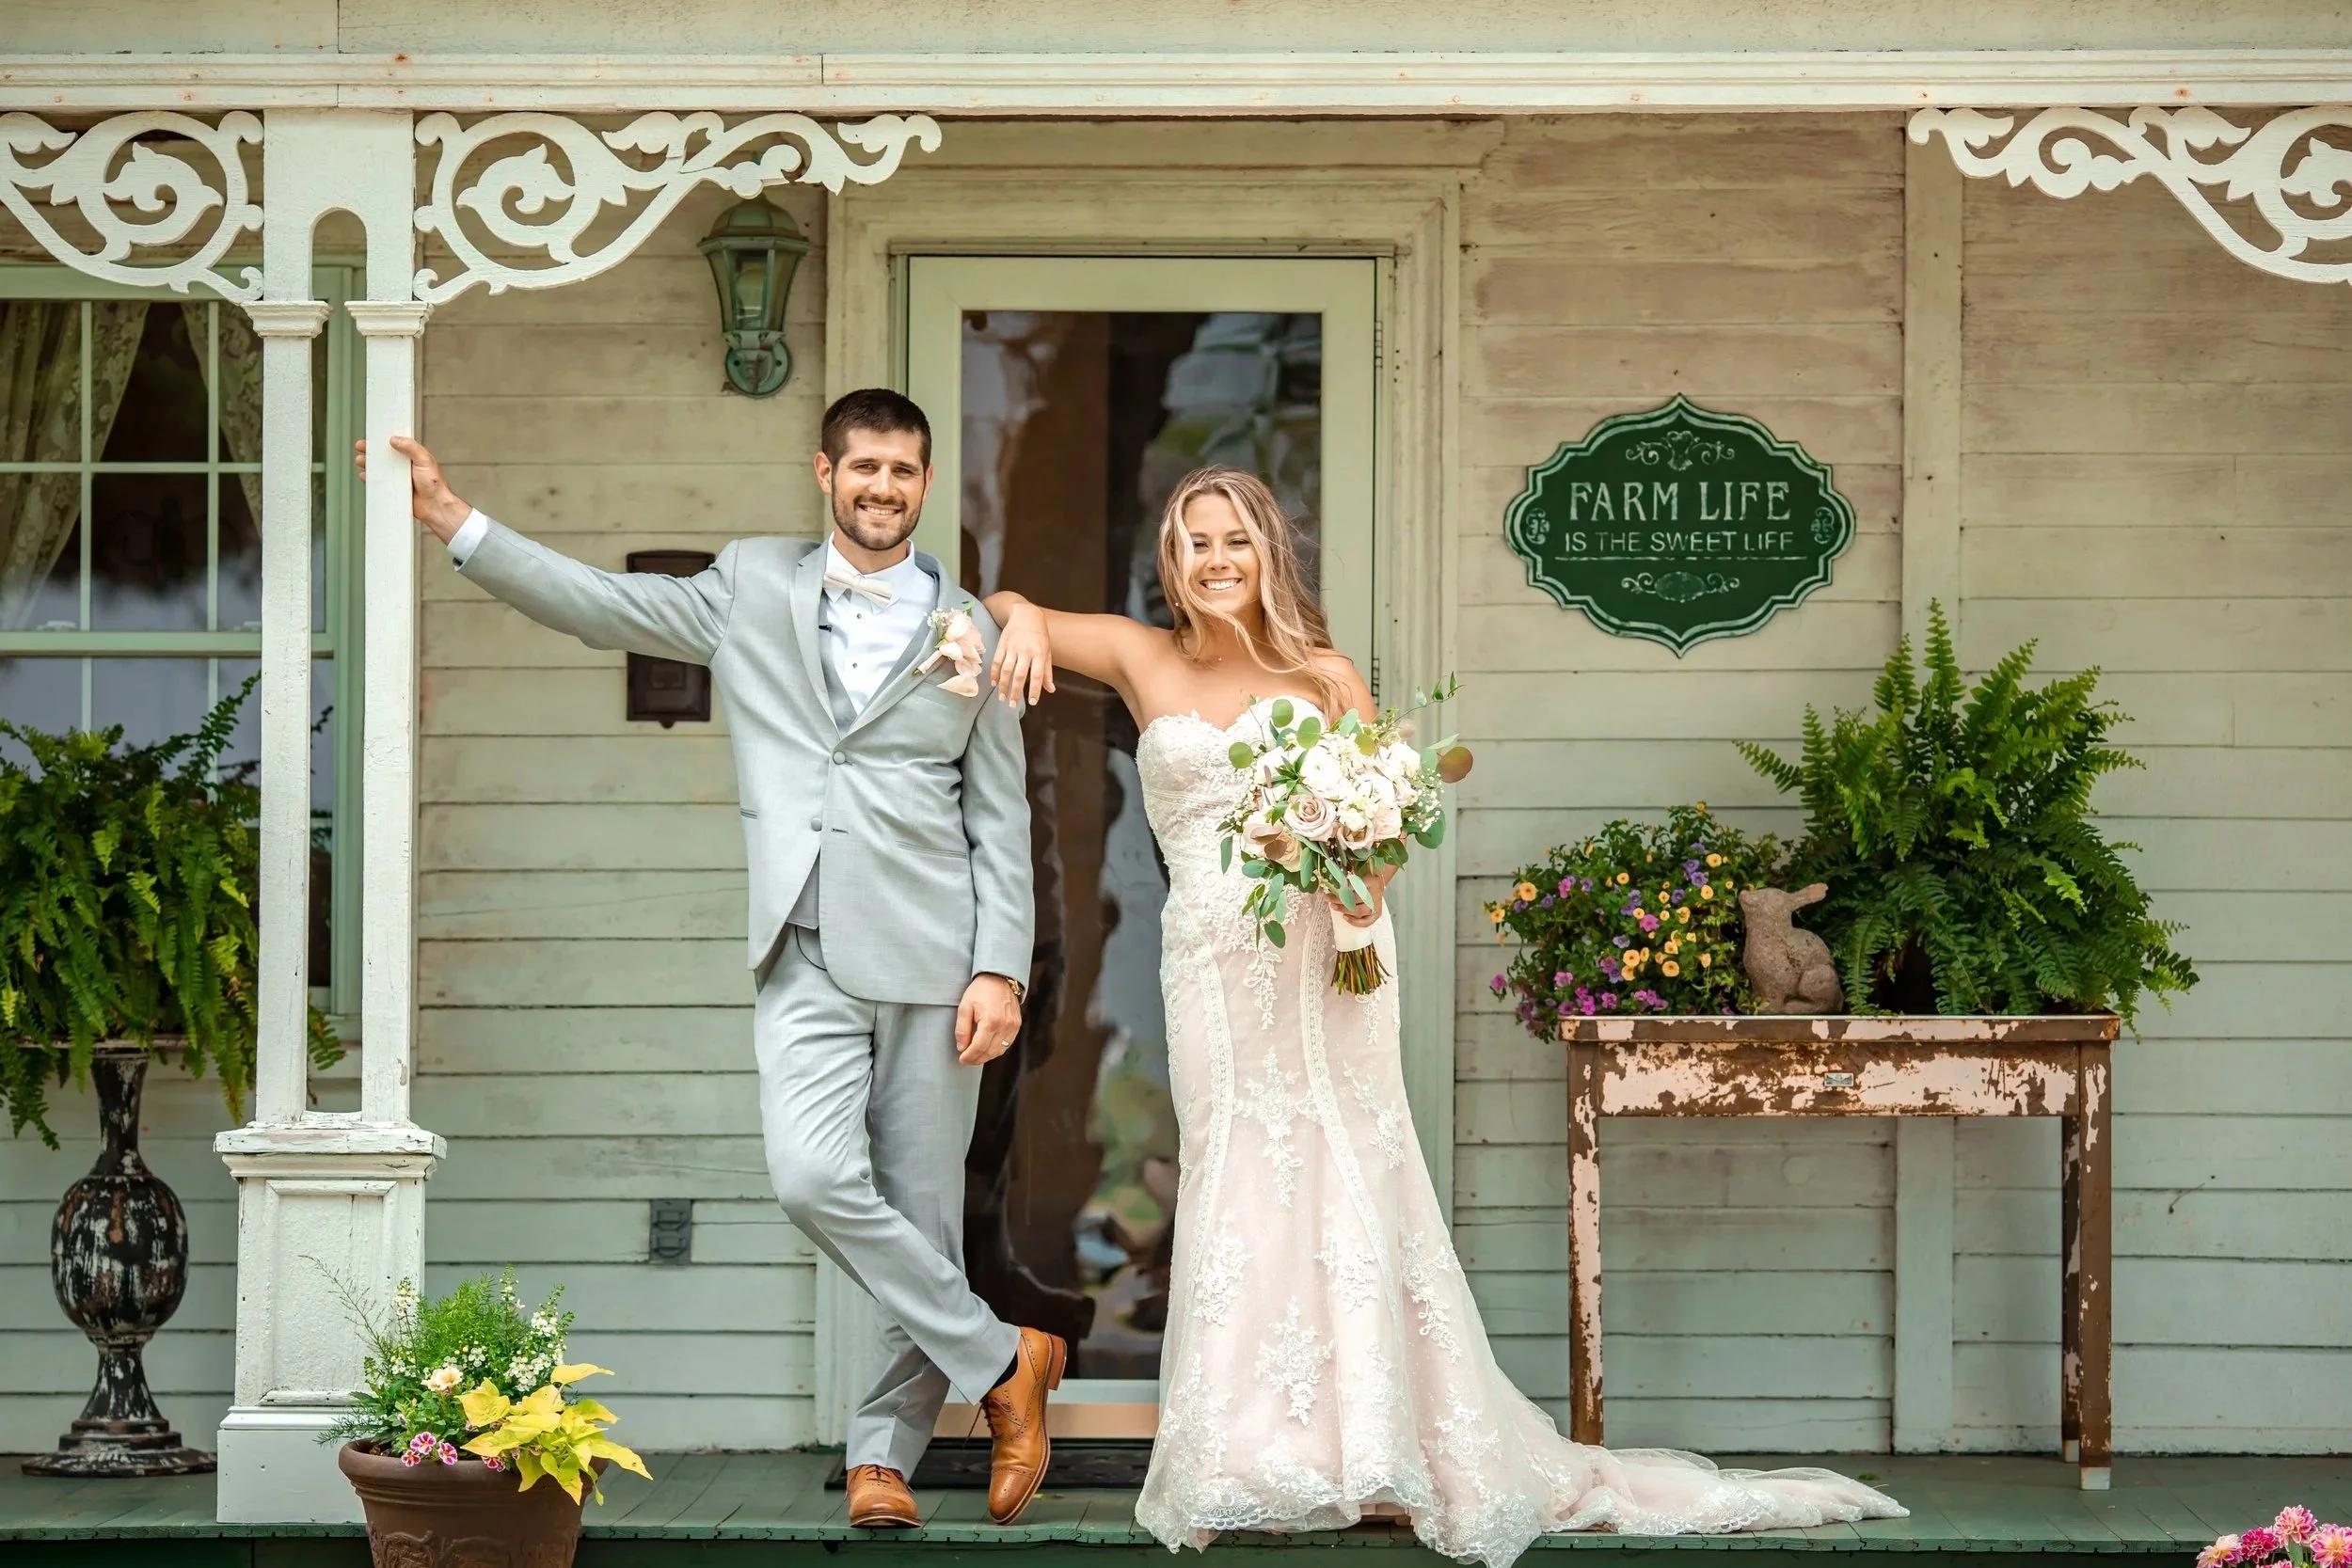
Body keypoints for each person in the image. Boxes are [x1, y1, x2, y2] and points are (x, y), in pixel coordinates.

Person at [981, 466, 1907, 1567]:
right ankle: (1246, 1451)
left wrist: (1357, 880)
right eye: (1193, 543)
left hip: (1324, 957)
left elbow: (1376, 845)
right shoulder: (1144, 655)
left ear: (1269, 550)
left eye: (1234, 539)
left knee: (1349, 1165)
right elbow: (1003, 605)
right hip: (1212, 969)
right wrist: (1025, 625)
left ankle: (1371, 1443)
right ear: (1171, 561)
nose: (1214, 559)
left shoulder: (1325, 676)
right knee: (1239, 1169)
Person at [358, 389, 1064, 1530]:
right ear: (823, 473)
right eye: (863, 467)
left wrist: (1002, 967)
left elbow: (1000, 817)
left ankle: (883, 1459)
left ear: (925, 485)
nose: (883, 487)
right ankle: (1004, 1358)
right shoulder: (748, 585)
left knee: (921, 1218)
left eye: (903, 470)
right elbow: (601, 605)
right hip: (800, 944)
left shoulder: (974, 629)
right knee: (813, 1179)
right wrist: (456, 522)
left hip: (937, 959)